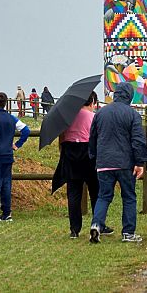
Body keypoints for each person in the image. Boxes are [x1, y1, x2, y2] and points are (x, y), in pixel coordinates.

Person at [88, 82, 147, 243]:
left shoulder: (100, 114)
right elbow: (137, 140)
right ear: (129, 96)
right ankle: (128, 233)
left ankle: (96, 224)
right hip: (125, 163)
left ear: (115, 95)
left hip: (104, 162)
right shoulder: (132, 115)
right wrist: (139, 162)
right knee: (129, 197)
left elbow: (93, 138)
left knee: (103, 196)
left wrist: (94, 156)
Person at [52, 92, 113, 238]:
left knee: (73, 193)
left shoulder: (68, 117)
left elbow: (62, 137)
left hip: (70, 153)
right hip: (89, 154)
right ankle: (98, 224)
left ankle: (74, 229)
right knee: (96, 191)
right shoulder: (94, 117)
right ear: (92, 102)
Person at [0, 92, 31, 222]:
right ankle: (7, 213)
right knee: (6, 183)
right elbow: (26, 130)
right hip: (8, 154)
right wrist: (17, 144)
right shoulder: (12, 118)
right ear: (5, 103)